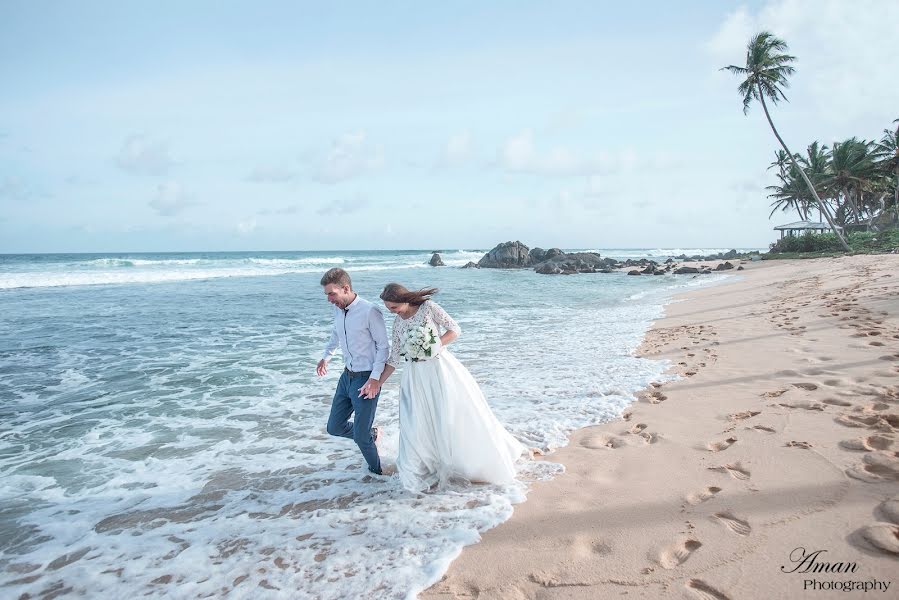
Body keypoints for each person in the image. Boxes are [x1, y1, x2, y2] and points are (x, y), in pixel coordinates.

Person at [376, 283, 525, 492]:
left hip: (439, 369)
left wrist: (432, 345)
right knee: (416, 420)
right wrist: (377, 382)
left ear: (406, 300)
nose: (391, 312)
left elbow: (455, 329)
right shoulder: (397, 323)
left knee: (448, 415)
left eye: (393, 307)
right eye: (388, 308)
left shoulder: (428, 308)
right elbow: (394, 358)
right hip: (415, 377)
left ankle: (462, 462)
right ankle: (420, 465)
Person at [317, 268, 389, 475]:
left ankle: (378, 475)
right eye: (327, 295)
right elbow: (336, 334)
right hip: (346, 377)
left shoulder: (370, 311)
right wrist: (326, 356)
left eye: (332, 293)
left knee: (360, 436)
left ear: (346, 288)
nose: (329, 299)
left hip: (366, 378)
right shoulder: (338, 309)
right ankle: (371, 434)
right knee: (334, 427)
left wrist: (375, 379)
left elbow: (383, 347)